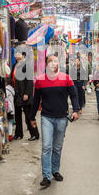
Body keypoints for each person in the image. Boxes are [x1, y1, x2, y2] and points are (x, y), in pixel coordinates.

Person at [30, 54, 80, 187]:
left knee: (57, 147)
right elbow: (36, 101)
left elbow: (74, 95)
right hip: (46, 117)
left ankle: (55, 171)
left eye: (55, 61)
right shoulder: (40, 80)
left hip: (62, 118)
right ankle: (46, 176)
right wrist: (31, 117)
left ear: (59, 64)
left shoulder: (66, 79)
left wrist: (76, 110)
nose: (52, 63)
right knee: (46, 146)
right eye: (50, 61)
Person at [12, 51, 39, 141]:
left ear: (23, 55)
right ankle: (18, 134)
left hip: (25, 94)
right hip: (16, 94)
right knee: (17, 115)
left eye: (19, 55)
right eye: (16, 55)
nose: (17, 57)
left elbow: (30, 81)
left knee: (29, 115)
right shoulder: (14, 66)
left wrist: (27, 93)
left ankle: (35, 133)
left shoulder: (27, 65)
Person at [5, 77, 15, 142]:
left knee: (6, 122)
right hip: (11, 109)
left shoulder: (6, 90)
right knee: (10, 122)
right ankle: (10, 135)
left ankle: (7, 135)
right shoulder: (12, 90)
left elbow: (6, 99)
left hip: (7, 109)